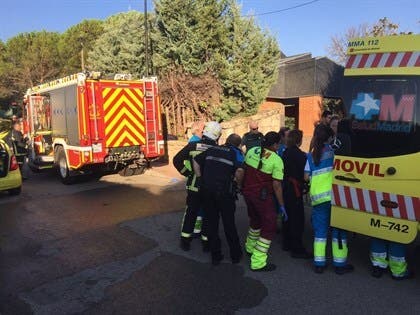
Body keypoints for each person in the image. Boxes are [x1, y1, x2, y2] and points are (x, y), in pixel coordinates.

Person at [304, 124, 354, 275]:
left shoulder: (311, 155)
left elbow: (306, 177)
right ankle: (339, 265)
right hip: (335, 197)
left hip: (318, 199)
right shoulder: (334, 153)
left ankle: (319, 263)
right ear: (330, 137)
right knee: (338, 230)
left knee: (320, 232)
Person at [193, 134, 244, 265]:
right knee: (229, 224)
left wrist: (199, 178)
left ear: (226, 141)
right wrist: (239, 186)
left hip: (207, 191)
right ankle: (235, 255)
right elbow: (239, 171)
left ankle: (216, 256)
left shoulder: (212, 149)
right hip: (225, 193)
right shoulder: (236, 153)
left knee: (212, 223)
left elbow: (195, 161)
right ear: (238, 144)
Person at [173, 121, 222, 252]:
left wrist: (187, 173)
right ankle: (206, 243)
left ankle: (185, 241)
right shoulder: (218, 150)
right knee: (208, 214)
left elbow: (176, 160)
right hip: (210, 189)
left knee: (191, 213)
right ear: (218, 135)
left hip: (194, 187)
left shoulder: (193, 145)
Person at [242, 131, 286, 272]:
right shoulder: (276, 160)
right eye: (278, 144)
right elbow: (277, 186)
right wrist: (282, 205)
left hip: (248, 194)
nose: (279, 147)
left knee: (255, 221)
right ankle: (258, 261)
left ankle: (250, 247)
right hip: (262, 197)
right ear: (274, 144)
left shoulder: (252, 150)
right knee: (269, 226)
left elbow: (243, 170)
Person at [282, 129, 311, 259]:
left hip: (285, 188)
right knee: (297, 219)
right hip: (295, 189)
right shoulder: (300, 155)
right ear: (299, 140)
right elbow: (304, 175)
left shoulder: (286, 152)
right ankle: (297, 248)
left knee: (287, 216)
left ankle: (286, 242)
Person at [187, 121, 205, 236]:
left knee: (195, 207)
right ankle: (196, 230)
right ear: (198, 130)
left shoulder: (193, 141)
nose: (205, 131)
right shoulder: (196, 143)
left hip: (193, 179)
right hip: (197, 179)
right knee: (199, 206)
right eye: (203, 129)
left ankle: (195, 229)